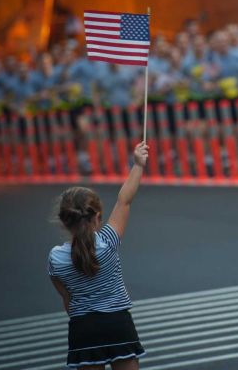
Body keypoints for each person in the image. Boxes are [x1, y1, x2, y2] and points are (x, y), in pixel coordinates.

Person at [48, 142, 148, 369]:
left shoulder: (55, 259)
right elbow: (125, 200)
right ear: (98, 216)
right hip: (117, 323)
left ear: (64, 221)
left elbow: (68, 300)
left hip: (83, 329)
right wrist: (138, 165)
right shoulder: (107, 243)